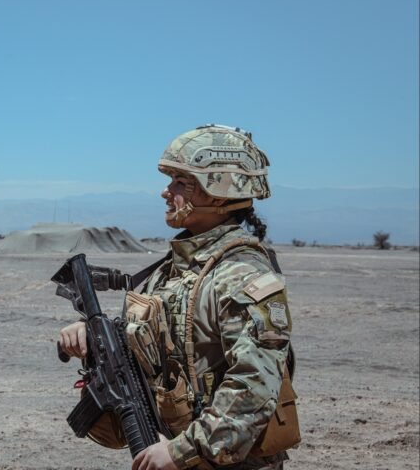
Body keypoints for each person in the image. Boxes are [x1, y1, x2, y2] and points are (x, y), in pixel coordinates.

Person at [59, 125, 297, 470]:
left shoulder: (242, 274)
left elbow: (254, 387)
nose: (166, 192)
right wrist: (93, 340)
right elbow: (147, 352)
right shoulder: (174, 269)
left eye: (179, 183)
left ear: (217, 192)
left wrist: (180, 451)